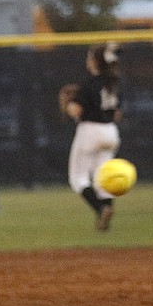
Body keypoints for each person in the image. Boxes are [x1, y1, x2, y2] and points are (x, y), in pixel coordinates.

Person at [62, 43, 122, 231]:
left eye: (89, 57)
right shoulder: (113, 82)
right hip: (110, 132)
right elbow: (117, 113)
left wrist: (68, 104)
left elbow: (76, 110)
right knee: (103, 178)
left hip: (90, 131)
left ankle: (101, 209)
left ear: (95, 61)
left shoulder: (89, 83)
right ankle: (105, 219)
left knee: (78, 178)